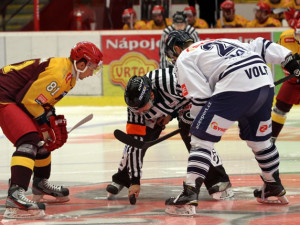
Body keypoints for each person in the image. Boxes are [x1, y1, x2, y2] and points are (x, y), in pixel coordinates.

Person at [163, 30, 296, 216]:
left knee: (200, 139)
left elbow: (201, 97)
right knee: (261, 141)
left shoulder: (184, 57)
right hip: (264, 82)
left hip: (235, 83)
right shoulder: (218, 41)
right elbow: (260, 45)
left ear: (176, 48)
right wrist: (288, 57)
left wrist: (195, 121)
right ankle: (273, 185)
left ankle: (189, 192)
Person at [0, 41, 103, 219]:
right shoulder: (59, 74)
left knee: (43, 138)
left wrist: (49, 120)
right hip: (4, 96)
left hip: (14, 97)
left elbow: (41, 101)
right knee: (29, 140)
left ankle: (39, 183)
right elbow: (27, 100)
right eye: (92, 67)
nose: (92, 72)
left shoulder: (69, 76)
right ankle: (15, 194)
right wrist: (45, 123)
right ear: (81, 63)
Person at [106, 67, 233, 204]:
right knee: (138, 143)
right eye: (137, 110)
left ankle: (219, 180)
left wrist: (176, 114)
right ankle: (124, 178)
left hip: (189, 103)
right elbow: (135, 144)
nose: (141, 112)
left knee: (194, 135)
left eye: (144, 107)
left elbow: (200, 94)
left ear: (152, 95)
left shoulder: (172, 83)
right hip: (160, 113)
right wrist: (135, 181)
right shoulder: (135, 110)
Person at [271, 19, 300, 143]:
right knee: (280, 107)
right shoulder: (285, 38)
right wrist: (292, 67)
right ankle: (270, 139)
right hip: (293, 80)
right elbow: (279, 58)